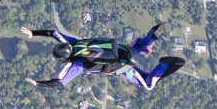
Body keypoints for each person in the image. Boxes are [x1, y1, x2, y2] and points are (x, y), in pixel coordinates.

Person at [25, 23, 180, 90]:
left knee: (147, 85)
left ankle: (165, 65)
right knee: (138, 47)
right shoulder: (74, 43)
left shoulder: (77, 65)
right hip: (121, 49)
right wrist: (33, 33)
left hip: (122, 66)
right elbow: (54, 33)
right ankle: (151, 37)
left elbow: (58, 83)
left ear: (65, 59)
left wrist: (38, 83)